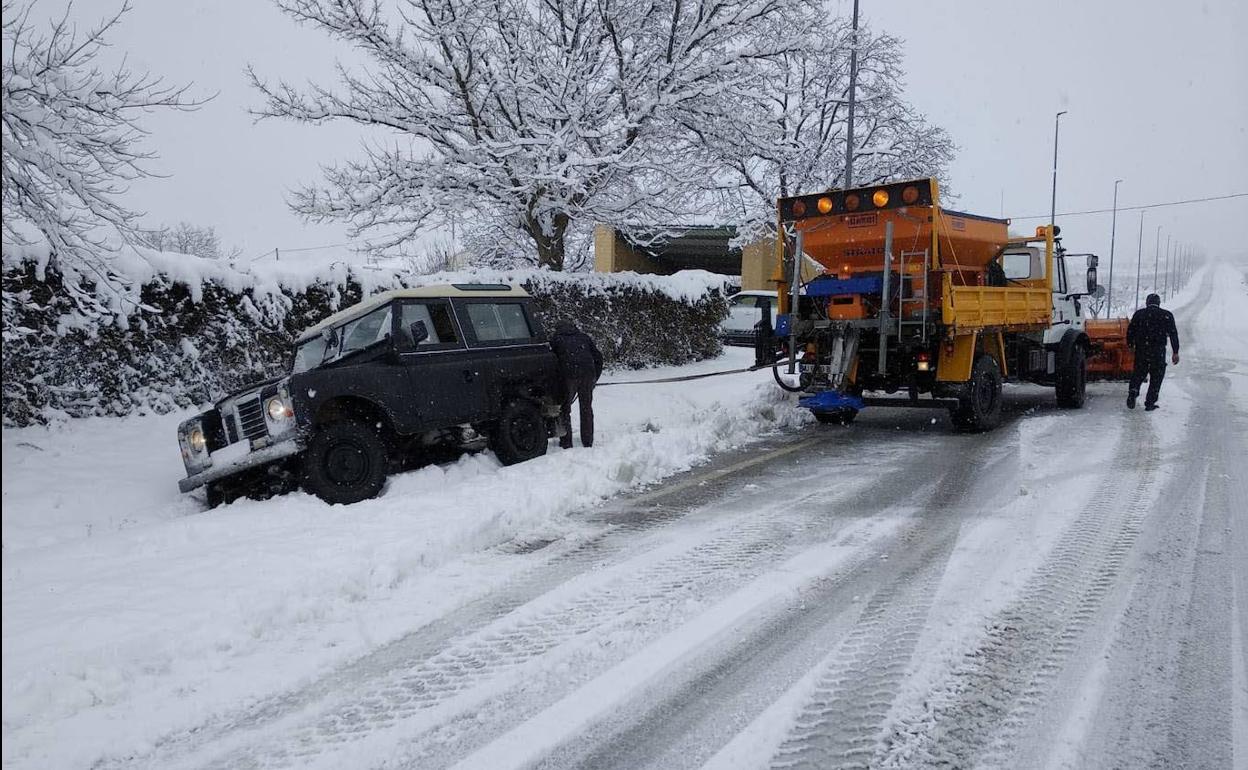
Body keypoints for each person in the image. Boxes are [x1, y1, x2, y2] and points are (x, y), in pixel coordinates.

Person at [549, 320, 603, 448]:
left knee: (564, 409)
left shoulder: (556, 340)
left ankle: (566, 442)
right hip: (587, 375)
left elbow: (551, 362)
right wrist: (594, 378)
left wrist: (556, 380)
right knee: (586, 408)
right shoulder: (584, 337)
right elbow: (598, 358)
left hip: (568, 376)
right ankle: (588, 441)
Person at [1126, 293, 1180, 411]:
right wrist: (1175, 352)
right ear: (1159, 303)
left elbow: (1130, 331)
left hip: (1141, 350)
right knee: (1156, 377)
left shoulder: (1139, 314)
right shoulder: (1166, 315)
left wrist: (1130, 345)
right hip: (1158, 351)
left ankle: (1133, 390)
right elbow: (1173, 334)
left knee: (1138, 373)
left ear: (1147, 303)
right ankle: (1150, 402)